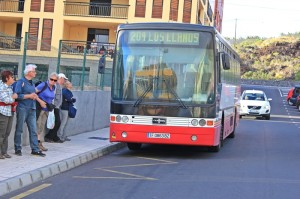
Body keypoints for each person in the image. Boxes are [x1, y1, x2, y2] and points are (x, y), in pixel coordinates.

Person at [14, 64, 46, 157]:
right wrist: (28, 96)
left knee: (33, 130)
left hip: (32, 108)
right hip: (23, 108)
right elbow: (17, 95)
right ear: (29, 72)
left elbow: (34, 95)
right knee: (19, 129)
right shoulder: (21, 82)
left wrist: (40, 101)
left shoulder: (32, 83)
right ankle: (18, 148)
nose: (35, 73)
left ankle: (35, 149)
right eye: (34, 71)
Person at [35, 72, 58, 151]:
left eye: (55, 80)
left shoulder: (54, 87)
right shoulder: (43, 85)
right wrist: (40, 101)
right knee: (38, 126)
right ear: (49, 79)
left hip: (47, 109)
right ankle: (37, 144)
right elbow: (33, 93)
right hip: (39, 108)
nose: (53, 81)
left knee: (42, 126)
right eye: (52, 79)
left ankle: (39, 143)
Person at [45, 73, 68, 143]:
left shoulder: (59, 86)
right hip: (54, 106)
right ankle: (49, 136)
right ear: (60, 78)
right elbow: (53, 96)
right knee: (57, 122)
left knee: (57, 122)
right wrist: (52, 106)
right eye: (64, 79)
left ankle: (54, 137)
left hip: (57, 106)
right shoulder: (55, 85)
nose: (64, 81)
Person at [0, 71, 18, 159]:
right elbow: (6, 100)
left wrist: (13, 99)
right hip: (3, 112)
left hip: (10, 111)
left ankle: (4, 152)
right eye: (12, 77)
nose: (13, 79)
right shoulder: (1, 87)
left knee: (7, 133)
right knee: (1, 133)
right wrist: (13, 97)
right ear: (7, 78)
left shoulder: (9, 87)